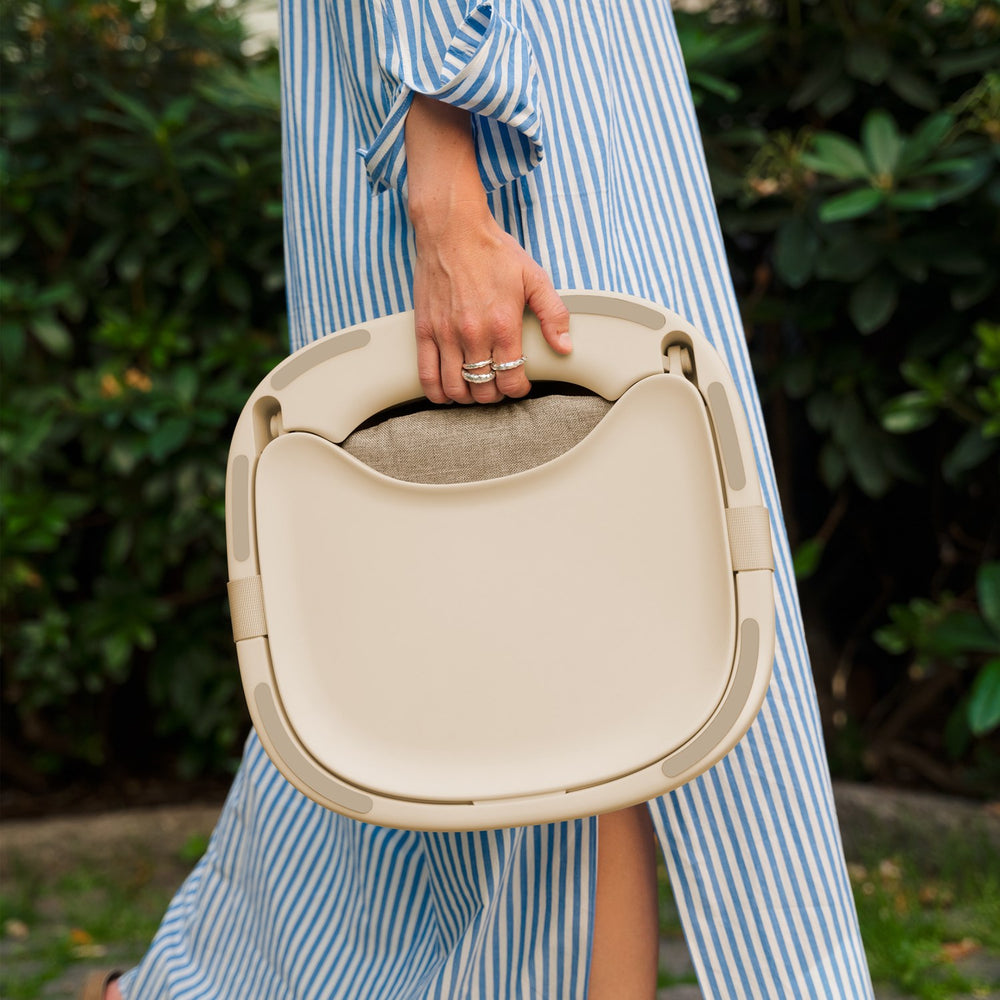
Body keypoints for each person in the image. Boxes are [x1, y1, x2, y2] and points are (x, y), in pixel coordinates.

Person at [89, 2, 876, 997]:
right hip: (498, 145)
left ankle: (193, 982)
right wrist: (447, 186)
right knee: (570, 663)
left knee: (457, 656)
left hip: (541, 113)